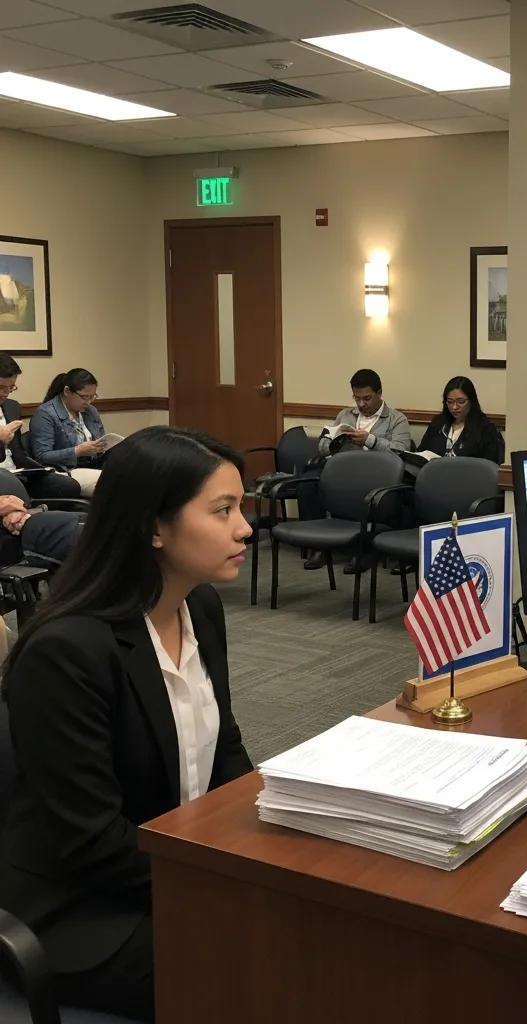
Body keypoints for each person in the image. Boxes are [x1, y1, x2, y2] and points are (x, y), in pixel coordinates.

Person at [0, 426, 254, 1022]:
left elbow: (228, 758)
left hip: (172, 869)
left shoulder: (200, 607)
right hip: (83, 910)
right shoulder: (68, 651)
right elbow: (92, 845)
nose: (245, 527)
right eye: (222, 511)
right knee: (269, 957)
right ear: (153, 527)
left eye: (241, 508)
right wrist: (226, 882)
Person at [298, 368, 411, 570]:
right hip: (344, 472)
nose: (361, 404)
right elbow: (324, 447)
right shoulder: (345, 415)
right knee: (308, 483)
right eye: (357, 398)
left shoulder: (396, 419)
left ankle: (365, 551)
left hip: (376, 475)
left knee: (367, 492)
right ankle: (318, 546)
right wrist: (331, 442)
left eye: (367, 398)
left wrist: (370, 440)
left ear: (379, 393)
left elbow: (401, 451)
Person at [0, 353, 81, 501]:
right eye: (0, 387)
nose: (5, 394)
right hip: (2, 477)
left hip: (19, 473)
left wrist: (39, 470)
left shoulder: (12, 407)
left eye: (10, 388)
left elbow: (18, 453)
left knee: (68, 486)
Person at [29, 368, 107, 496]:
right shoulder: (45, 414)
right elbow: (42, 455)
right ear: (67, 391)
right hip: (67, 471)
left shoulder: (90, 411)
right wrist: (77, 451)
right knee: (114, 485)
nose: (88, 402)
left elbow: (101, 438)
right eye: (84, 397)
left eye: (92, 396)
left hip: (95, 464)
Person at [417, 376, 504, 464]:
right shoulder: (438, 423)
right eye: (450, 402)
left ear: (471, 401)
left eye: (461, 402)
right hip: (434, 474)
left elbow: (490, 466)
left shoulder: (485, 428)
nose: (454, 407)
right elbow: (421, 452)